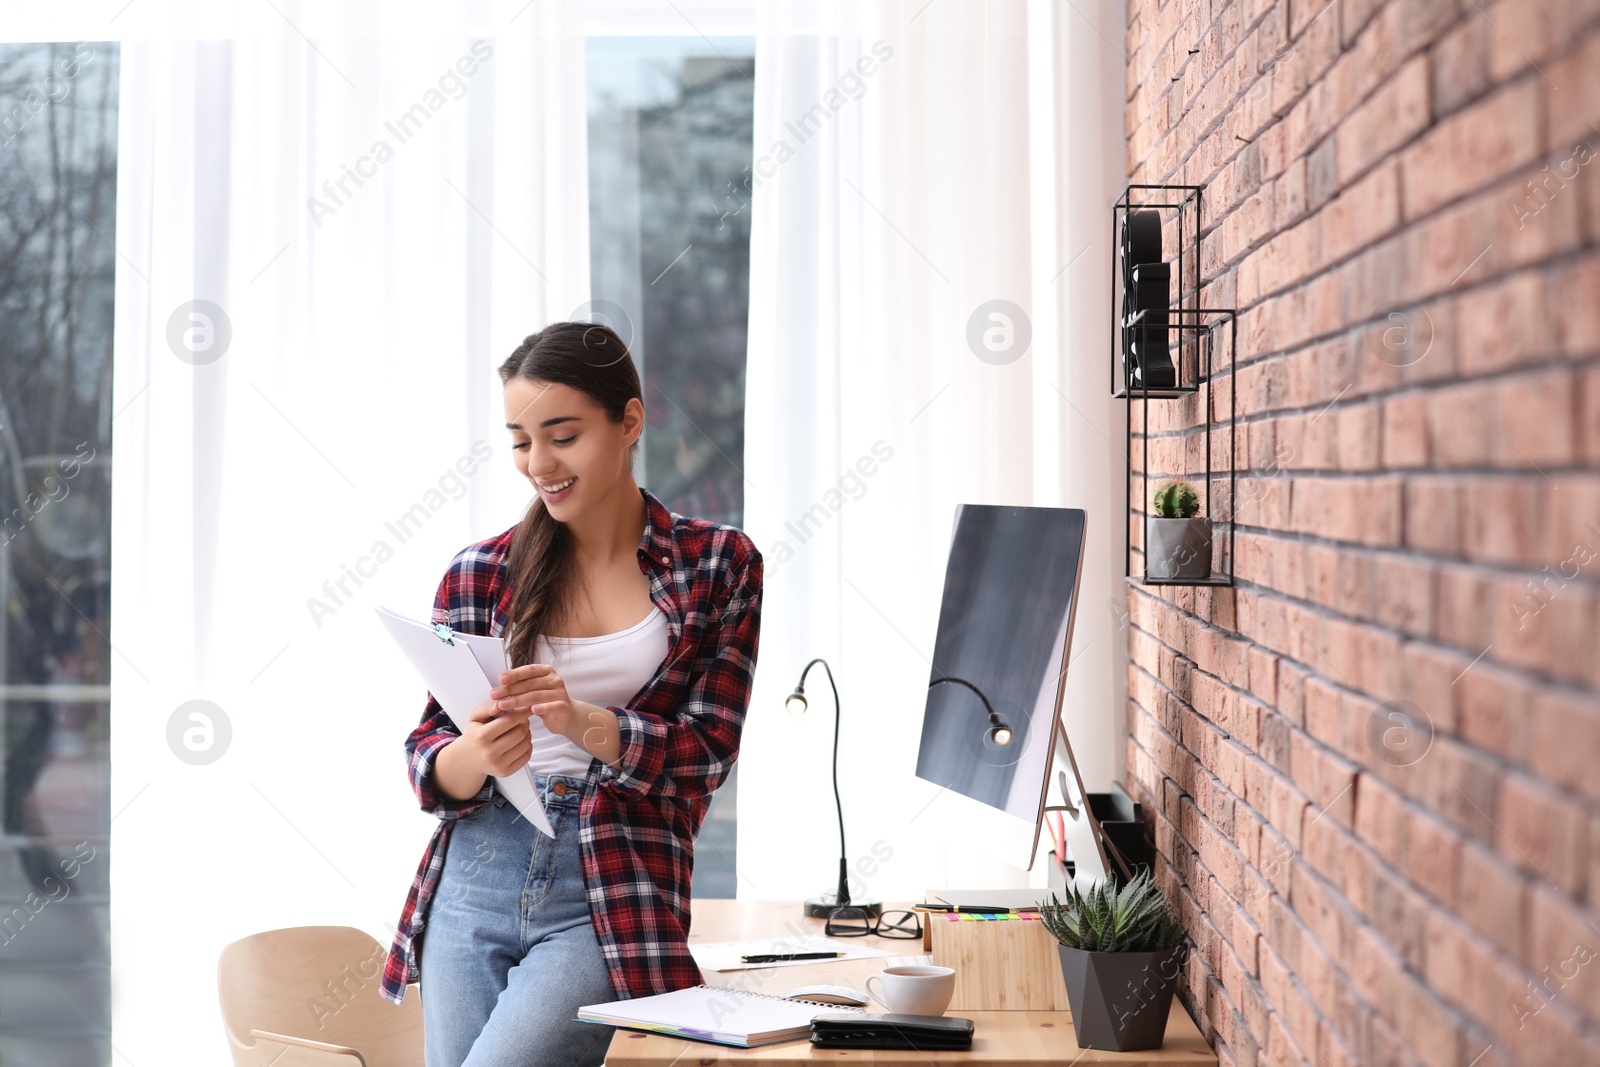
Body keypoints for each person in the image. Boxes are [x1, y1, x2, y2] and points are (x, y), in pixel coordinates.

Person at [378, 322, 764, 1067]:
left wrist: (589, 724)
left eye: (562, 435)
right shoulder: (479, 573)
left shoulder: (718, 564)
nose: (539, 463)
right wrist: (475, 752)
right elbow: (428, 761)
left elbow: (708, 754)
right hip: (474, 873)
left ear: (629, 421)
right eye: (521, 440)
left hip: (612, 885)